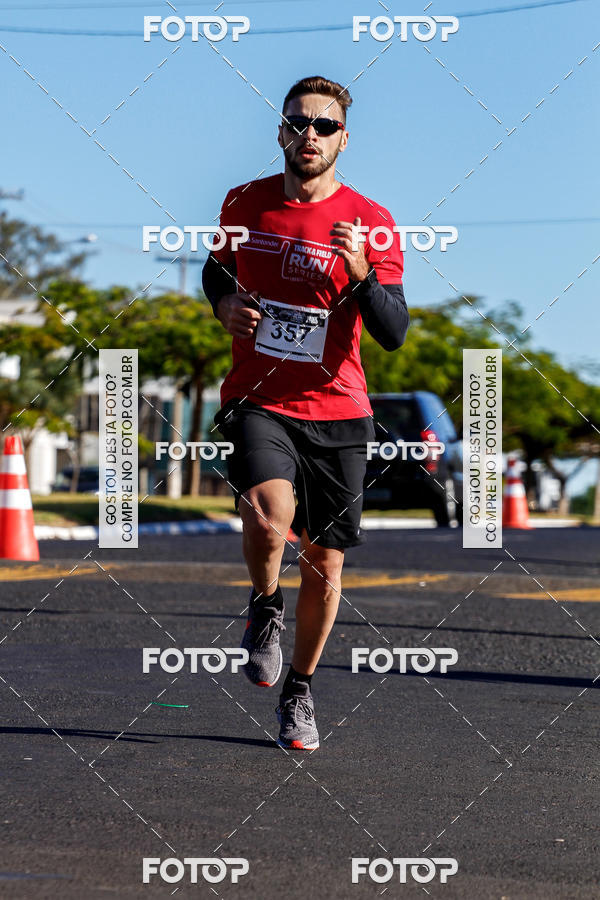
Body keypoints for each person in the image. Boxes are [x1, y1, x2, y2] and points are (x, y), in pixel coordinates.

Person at [202, 75, 409, 750]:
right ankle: (264, 606)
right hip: (260, 397)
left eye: (324, 126)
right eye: (299, 123)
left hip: (339, 407)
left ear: (344, 138)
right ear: (281, 132)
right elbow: (216, 271)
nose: (310, 135)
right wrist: (223, 306)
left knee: (325, 562)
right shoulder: (245, 202)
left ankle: (299, 692)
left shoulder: (371, 221)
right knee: (267, 510)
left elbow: (394, 330)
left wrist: (361, 275)